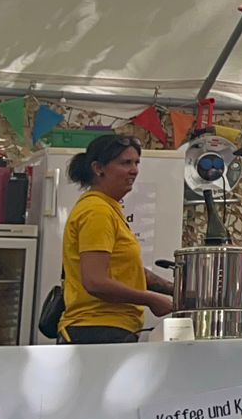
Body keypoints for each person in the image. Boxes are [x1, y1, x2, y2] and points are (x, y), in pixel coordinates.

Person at [60, 135, 174, 344]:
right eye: (125, 163)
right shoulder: (97, 211)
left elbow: (126, 269)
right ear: (98, 168)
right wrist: (150, 299)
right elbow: (95, 281)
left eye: (136, 163)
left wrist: (176, 290)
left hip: (109, 329)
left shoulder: (108, 208)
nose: (134, 170)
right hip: (96, 330)